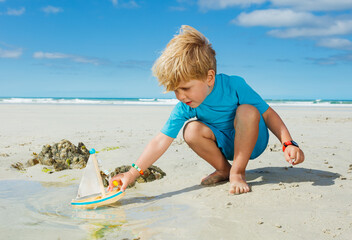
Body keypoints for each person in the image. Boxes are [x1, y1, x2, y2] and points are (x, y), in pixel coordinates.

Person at [108, 25, 305, 194]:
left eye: (185, 88)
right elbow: (160, 140)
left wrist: (288, 143)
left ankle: (237, 172)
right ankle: (224, 169)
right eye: (175, 91)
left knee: (247, 110)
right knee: (191, 130)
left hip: (254, 140)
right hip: (226, 146)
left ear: (209, 78)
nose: (180, 96)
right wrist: (132, 173)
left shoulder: (234, 86)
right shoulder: (185, 106)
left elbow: (268, 113)